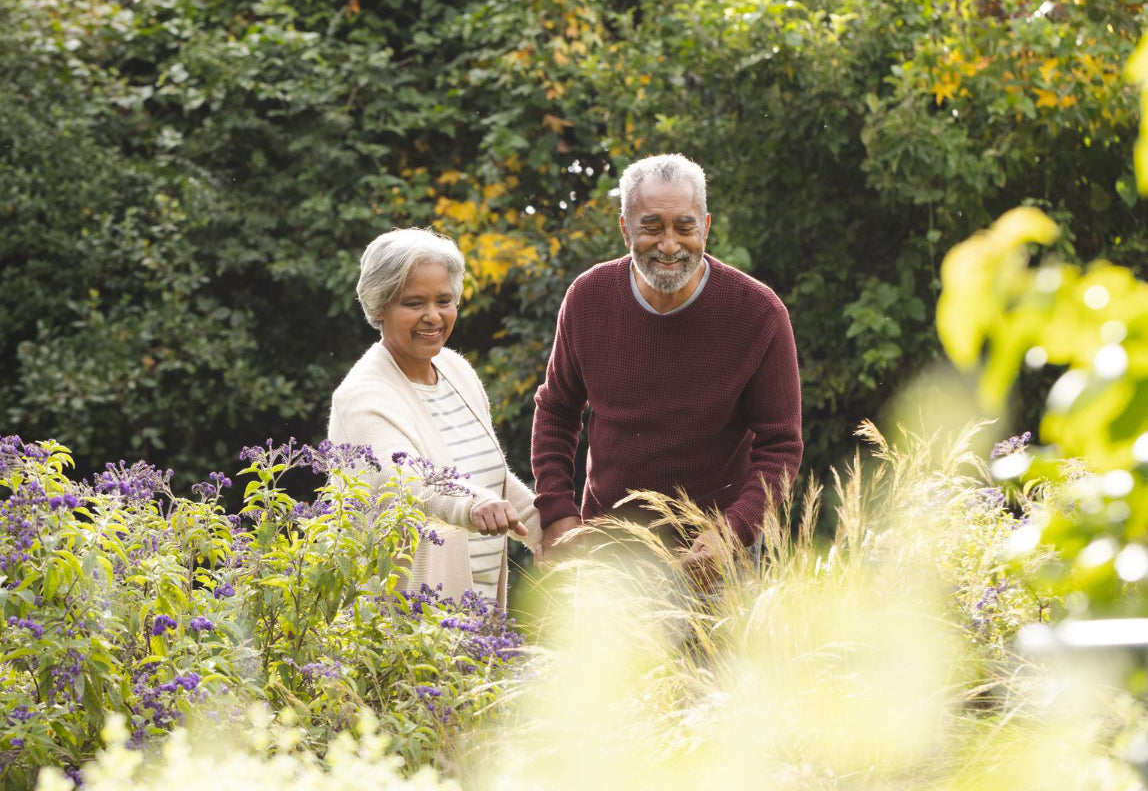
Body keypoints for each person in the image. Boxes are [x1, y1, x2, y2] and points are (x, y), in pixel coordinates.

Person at [530, 153, 802, 581]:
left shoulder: (758, 313)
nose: (670, 245)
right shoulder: (587, 299)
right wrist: (557, 510)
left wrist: (734, 530)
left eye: (685, 227)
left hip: (711, 549)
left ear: (706, 226)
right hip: (608, 543)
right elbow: (556, 409)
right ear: (625, 229)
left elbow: (780, 446)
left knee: (718, 652)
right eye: (652, 227)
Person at [328, 228, 540, 606]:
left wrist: (552, 530)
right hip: (409, 627)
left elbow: (493, 478)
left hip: (481, 621)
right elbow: (409, 483)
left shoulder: (456, 370)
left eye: (444, 300)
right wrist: (473, 505)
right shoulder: (362, 395)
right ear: (379, 307)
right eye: (413, 303)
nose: (433, 316)